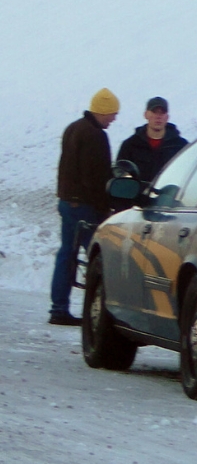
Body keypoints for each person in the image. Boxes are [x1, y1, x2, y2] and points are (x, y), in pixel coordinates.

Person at [48, 88, 120, 326]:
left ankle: (58, 307)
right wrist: (104, 208)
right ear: (102, 111)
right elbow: (96, 177)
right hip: (85, 206)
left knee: (66, 253)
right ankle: (100, 311)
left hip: (68, 202)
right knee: (99, 257)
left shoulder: (74, 128)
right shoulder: (94, 135)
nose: (114, 118)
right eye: (112, 113)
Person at [115, 96, 187, 185]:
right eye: (154, 112)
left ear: (167, 117)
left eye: (162, 112)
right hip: (137, 197)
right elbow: (120, 174)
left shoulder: (181, 146)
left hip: (168, 198)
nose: (158, 117)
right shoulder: (130, 145)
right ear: (146, 115)